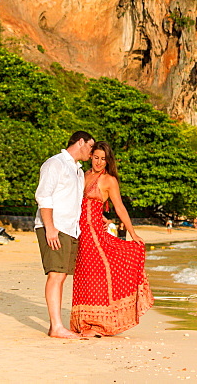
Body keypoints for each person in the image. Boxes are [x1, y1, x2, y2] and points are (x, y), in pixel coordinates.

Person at [70, 142, 153, 337]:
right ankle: (83, 323)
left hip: (94, 235)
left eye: (103, 159)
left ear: (108, 160)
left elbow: (119, 207)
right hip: (77, 231)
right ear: (91, 156)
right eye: (96, 157)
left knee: (96, 277)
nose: (99, 162)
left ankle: (96, 324)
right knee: (82, 277)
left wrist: (132, 233)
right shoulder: (81, 174)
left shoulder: (109, 180)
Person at [34, 130, 95, 339]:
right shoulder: (55, 163)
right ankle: (56, 327)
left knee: (61, 276)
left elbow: (74, 201)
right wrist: (50, 228)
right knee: (56, 274)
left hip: (70, 228)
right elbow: (43, 196)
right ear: (80, 142)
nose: (92, 151)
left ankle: (57, 325)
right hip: (55, 227)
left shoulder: (77, 170)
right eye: (90, 146)